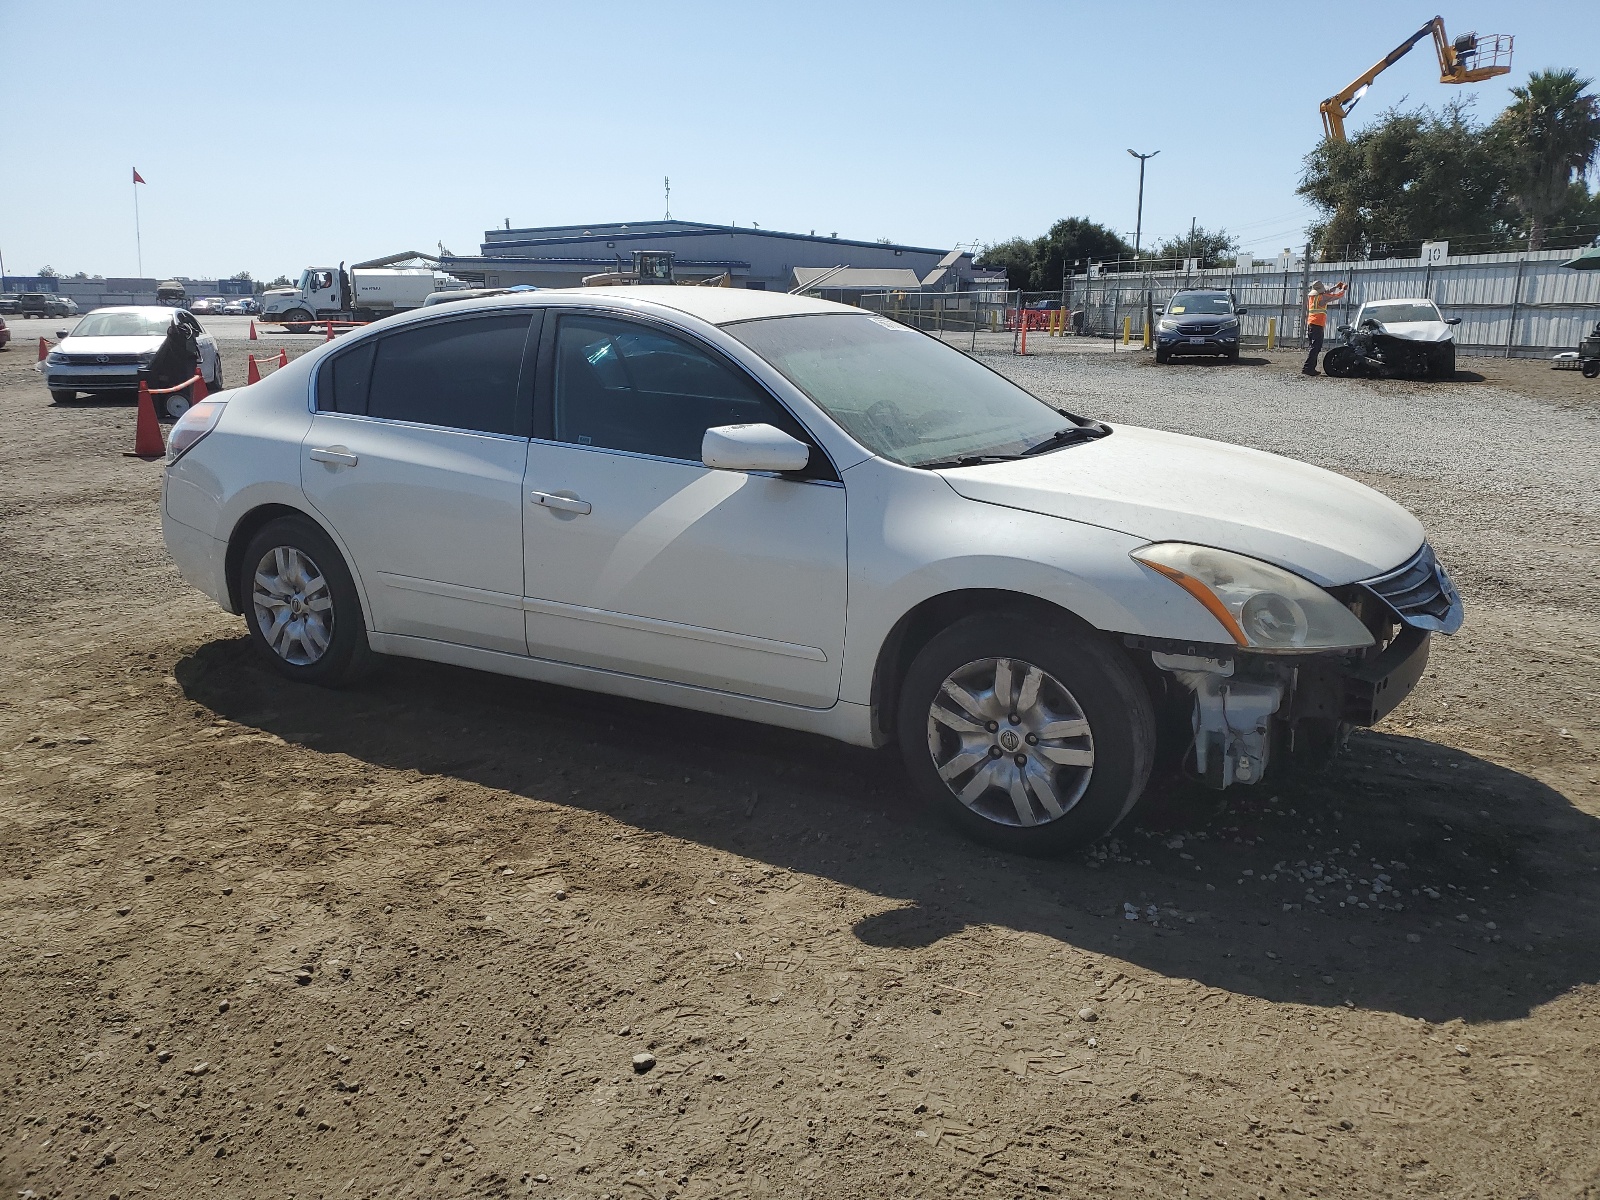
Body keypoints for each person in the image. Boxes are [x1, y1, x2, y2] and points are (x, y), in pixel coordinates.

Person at [1302, 279, 1348, 376]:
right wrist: (1343, 289)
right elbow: (1336, 296)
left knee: (1313, 346)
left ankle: (1310, 367)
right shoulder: (1322, 297)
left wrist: (1335, 287)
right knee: (1316, 347)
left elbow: (1326, 293)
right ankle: (1308, 368)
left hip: (1311, 323)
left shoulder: (1312, 297)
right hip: (1318, 324)